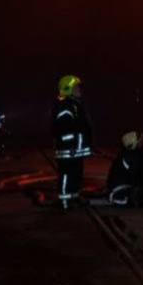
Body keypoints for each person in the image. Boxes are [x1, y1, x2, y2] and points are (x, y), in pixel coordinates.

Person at [51, 75, 93, 210]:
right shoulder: (64, 106)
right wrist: (72, 144)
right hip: (68, 150)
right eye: (76, 88)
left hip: (75, 150)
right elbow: (63, 130)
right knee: (66, 175)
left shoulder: (75, 105)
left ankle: (74, 197)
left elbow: (82, 127)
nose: (79, 90)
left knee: (76, 174)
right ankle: (64, 201)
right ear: (68, 89)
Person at [106, 131, 143, 206]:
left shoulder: (129, 154)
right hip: (119, 192)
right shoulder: (129, 157)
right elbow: (135, 175)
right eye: (139, 141)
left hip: (120, 189)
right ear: (133, 143)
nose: (142, 143)